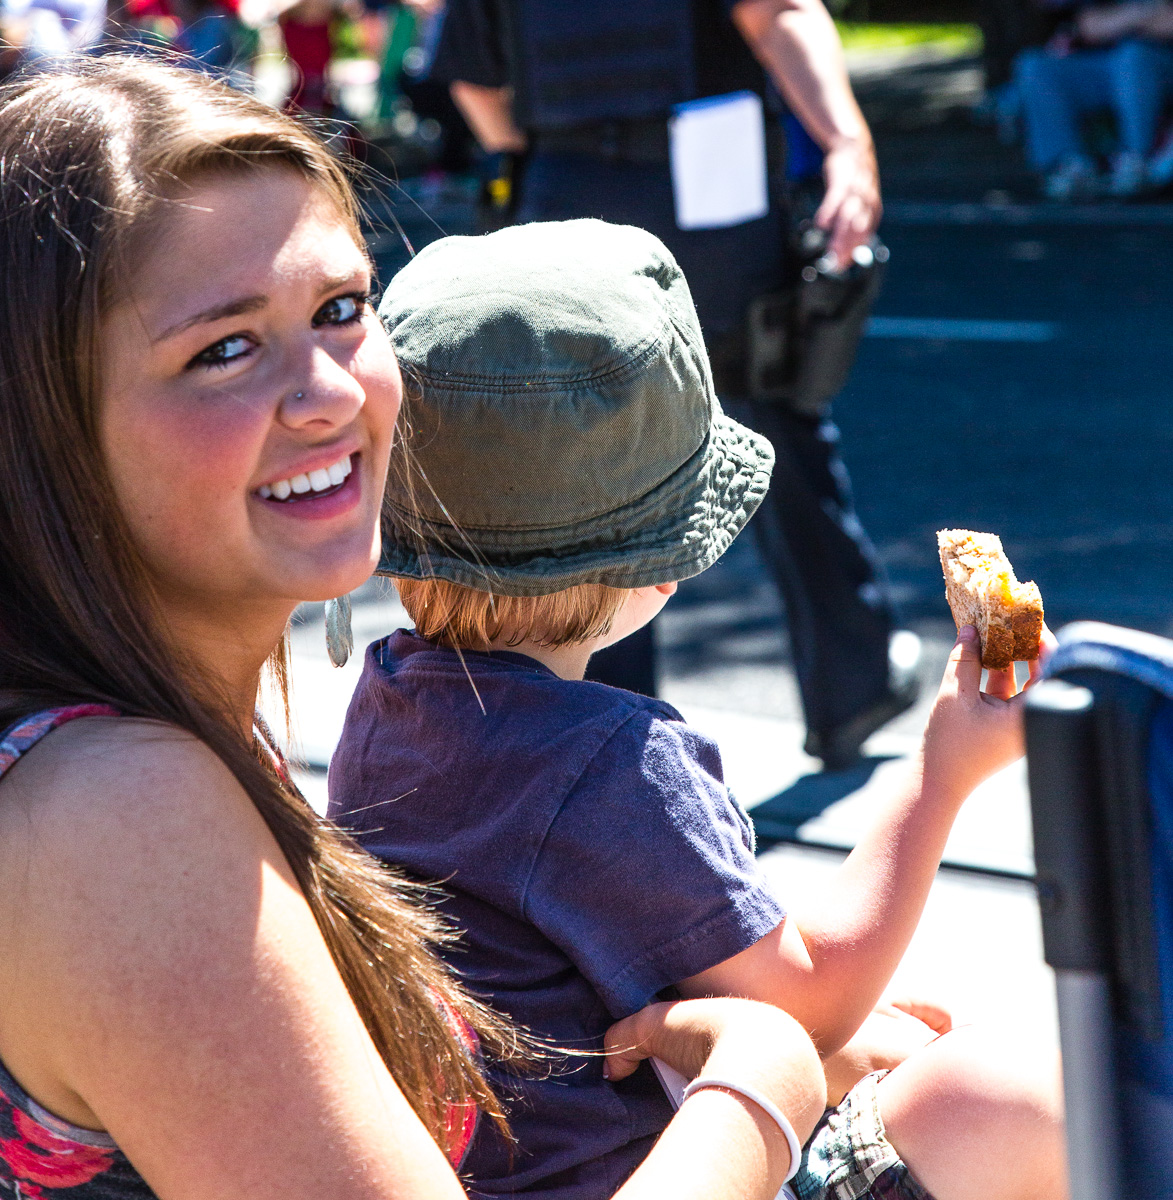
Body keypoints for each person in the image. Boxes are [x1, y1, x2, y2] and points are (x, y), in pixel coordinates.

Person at [0, 55, 830, 1200]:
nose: (333, 390)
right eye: (223, 349)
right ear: (43, 433)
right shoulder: (118, 812)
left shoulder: (151, 731)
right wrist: (762, 1085)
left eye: (341, 310)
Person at [329, 219, 1070, 1200]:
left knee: (913, 1039)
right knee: (1011, 1091)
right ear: (658, 568)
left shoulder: (386, 707)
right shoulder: (607, 763)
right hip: (654, 1175)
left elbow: (621, 949)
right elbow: (807, 1006)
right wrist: (940, 775)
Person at [426, 0, 919, 770]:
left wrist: (555, 148)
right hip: (707, 174)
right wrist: (847, 147)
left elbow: (476, 88)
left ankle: (606, 728)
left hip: (564, 184)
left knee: (590, 453)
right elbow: (778, 13)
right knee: (767, 411)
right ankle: (850, 686)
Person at [1016, 0, 1173, 198]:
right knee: (1035, 66)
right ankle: (1070, 166)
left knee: (1133, 56)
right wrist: (1143, 14)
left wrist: (1119, 19)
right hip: (1105, 66)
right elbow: (1090, 27)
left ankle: (1136, 160)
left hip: (1157, 65)